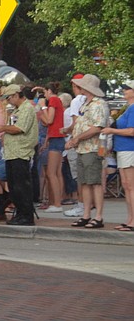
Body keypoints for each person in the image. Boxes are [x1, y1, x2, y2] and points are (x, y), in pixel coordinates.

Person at [65, 73, 110, 229]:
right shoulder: (86, 104)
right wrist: (73, 136)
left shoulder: (99, 104)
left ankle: (98, 216)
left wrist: (77, 138)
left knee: (95, 182)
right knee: (84, 182)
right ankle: (86, 214)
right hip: (83, 148)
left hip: (93, 148)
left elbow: (97, 127)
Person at [0, 84, 39, 226]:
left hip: (21, 152)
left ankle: (26, 215)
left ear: (16, 95)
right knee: (14, 186)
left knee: (22, 186)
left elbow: (19, 128)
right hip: (12, 152)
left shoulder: (27, 109)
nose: (8, 101)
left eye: (9, 98)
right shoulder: (16, 110)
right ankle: (20, 213)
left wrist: (2, 128)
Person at [101, 81, 134, 231]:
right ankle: (130, 219)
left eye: (128, 89)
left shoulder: (133, 108)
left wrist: (112, 131)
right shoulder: (128, 108)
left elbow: (132, 131)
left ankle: (133, 221)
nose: (124, 90)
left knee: (130, 186)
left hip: (129, 149)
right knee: (126, 185)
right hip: (122, 149)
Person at [36, 82, 65, 212]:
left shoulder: (53, 100)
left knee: (51, 173)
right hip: (56, 137)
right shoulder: (57, 100)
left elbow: (49, 120)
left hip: (56, 138)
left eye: (45, 93)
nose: (45, 96)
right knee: (56, 173)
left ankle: (57, 203)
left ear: (49, 91)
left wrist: (43, 107)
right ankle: (55, 202)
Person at [63, 73, 88, 217]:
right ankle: (87, 204)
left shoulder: (76, 101)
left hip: (77, 141)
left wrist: (67, 132)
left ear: (74, 86)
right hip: (89, 141)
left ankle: (81, 204)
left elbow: (75, 123)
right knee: (88, 177)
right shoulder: (91, 100)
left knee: (78, 176)